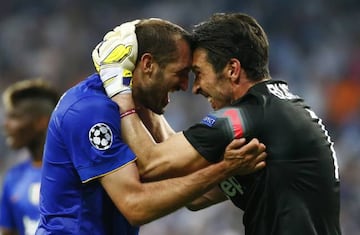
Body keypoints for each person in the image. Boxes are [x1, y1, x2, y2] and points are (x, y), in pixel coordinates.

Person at [104, 13, 341, 235]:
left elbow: (151, 163)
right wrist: (150, 101)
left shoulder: (246, 116)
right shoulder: (279, 110)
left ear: (232, 70)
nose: (195, 87)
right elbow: (198, 196)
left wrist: (122, 91)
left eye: (199, 72)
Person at [35, 18, 267, 235]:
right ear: (148, 64)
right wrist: (225, 168)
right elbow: (136, 206)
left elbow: (193, 190)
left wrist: (248, 172)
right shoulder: (90, 110)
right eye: (181, 73)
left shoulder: (136, 108)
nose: (186, 85)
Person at [0, 79, 59, 235]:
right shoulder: (13, 178)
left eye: (15, 117)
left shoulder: (72, 172)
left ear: (41, 122)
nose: (6, 124)